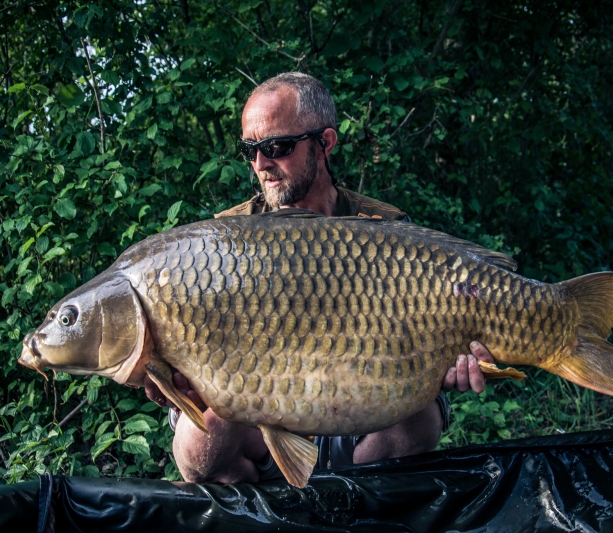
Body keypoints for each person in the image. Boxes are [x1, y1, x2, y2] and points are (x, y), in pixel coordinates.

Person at [146, 72, 496, 484]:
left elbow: (430, 349)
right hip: (264, 426)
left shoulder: (387, 228)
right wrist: (176, 387)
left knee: (420, 421)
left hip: (363, 412)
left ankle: (358, 512)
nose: (260, 165)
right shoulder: (223, 242)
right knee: (200, 440)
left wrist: (451, 365)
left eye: (276, 147)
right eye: (250, 150)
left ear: (325, 142)